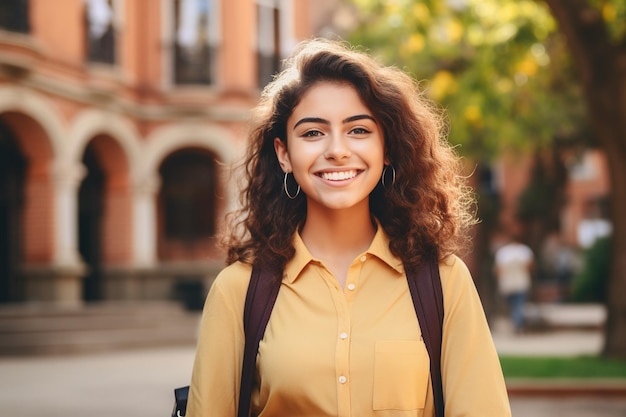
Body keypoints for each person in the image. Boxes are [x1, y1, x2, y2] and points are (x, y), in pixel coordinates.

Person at [187, 39, 511, 417]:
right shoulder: (238, 292)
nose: (337, 150)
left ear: (387, 148)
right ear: (284, 154)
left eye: (358, 130)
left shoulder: (444, 283)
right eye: (312, 133)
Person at [494, 232, 534, 333]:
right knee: (518, 305)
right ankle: (517, 323)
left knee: (514, 305)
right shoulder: (524, 251)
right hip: (520, 282)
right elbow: (530, 267)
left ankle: (516, 323)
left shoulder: (503, 253)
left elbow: (498, 270)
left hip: (508, 284)